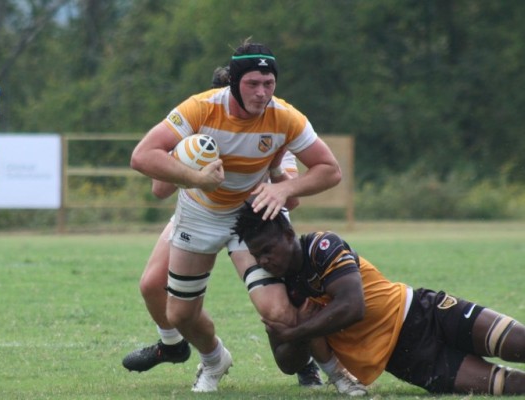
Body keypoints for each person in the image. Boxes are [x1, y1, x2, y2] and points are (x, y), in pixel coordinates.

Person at [123, 65, 365, 395]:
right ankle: (179, 348)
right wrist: (187, 163)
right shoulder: (199, 120)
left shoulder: (275, 128)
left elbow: (294, 198)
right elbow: (159, 190)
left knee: (278, 309)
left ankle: (317, 364)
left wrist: (277, 174)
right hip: (200, 211)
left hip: (252, 220)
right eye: (248, 88)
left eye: (266, 86)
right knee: (157, 288)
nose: (258, 96)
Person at [232, 202, 525, 395]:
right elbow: (286, 363)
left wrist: (297, 330)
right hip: (407, 359)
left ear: (287, 233)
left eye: (268, 249)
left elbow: (352, 307)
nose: (264, 260)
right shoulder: (280, 291)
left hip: (424, 313)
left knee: (517, 342)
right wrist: (287, 332)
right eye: (257, 256)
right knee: (506, 386)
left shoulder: (322, 247)